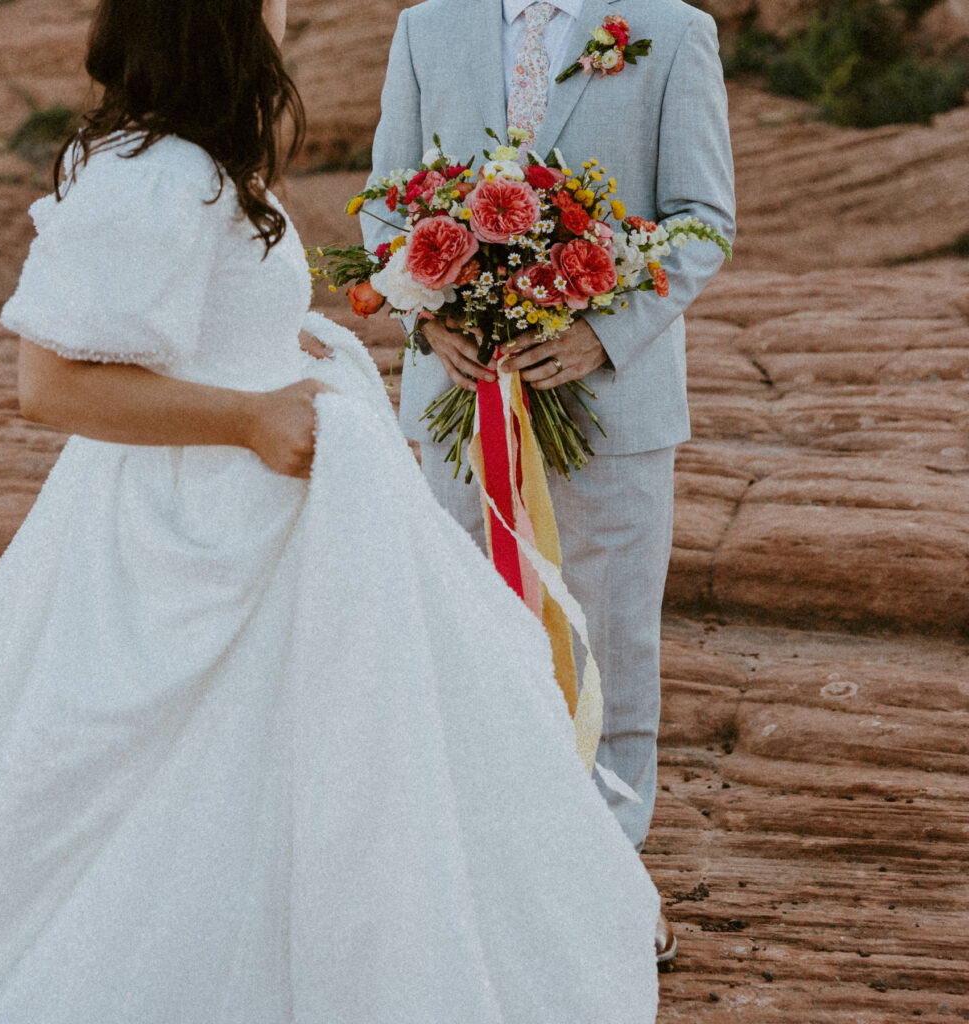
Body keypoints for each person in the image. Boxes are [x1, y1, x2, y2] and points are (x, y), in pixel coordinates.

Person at [0, 0, 662, 1020]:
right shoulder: (150, 176)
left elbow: (206, 323)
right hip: (192, 527)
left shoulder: (199, 164)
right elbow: (49, 387)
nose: (285, 14)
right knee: (193, 778)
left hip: (283, 506)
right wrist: (246, 417)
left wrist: (297, 347)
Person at [366, 0, 736, 960]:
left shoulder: (672, 28)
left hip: (613, 408)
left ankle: (610, 877)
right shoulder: (424, 28)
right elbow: (382, 202)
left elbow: (704, 222)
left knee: (608, 643)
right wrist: (422, 308)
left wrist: (600, 332)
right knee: (468, 639)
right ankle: (486, 875)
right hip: (461, 406)